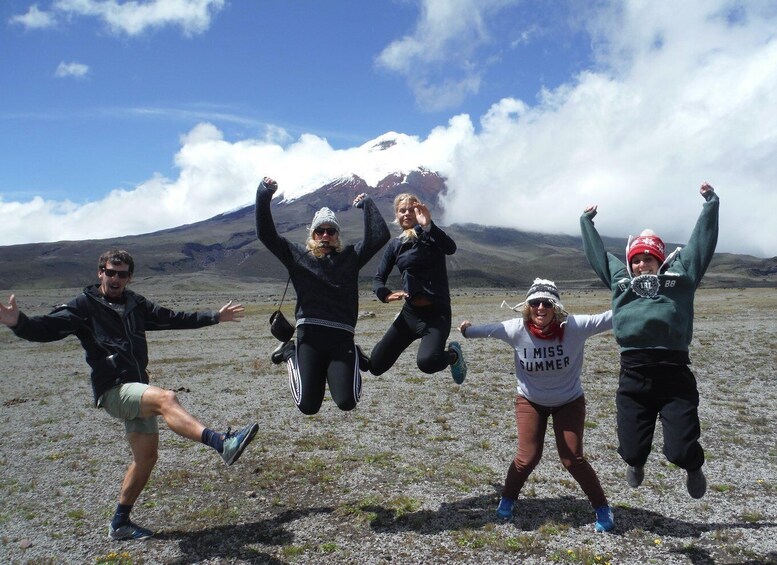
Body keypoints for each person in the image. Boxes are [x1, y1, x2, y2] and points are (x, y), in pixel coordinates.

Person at [0, 249, 259, 541]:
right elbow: (47, 328)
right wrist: (18, 322)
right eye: (110, 272)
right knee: (166, 399)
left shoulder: (135, 304)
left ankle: (120, 523)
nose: (115, 279)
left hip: (137, 387)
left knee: (146, 458)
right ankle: (222, 443)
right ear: (100, 273)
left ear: (129, 277)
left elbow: (171, 318)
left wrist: (215, 317)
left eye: (121, 274)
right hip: (113, 389)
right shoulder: (84, 305)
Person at [580, 183, 719, 499]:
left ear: (660, 260)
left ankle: (693, 466)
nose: (642, 265)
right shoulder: (621, 282)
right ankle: (636, 461)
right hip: (634, 376)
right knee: (631, 450)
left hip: (674, 376)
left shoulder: (681, 278)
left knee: (680, 450)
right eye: (637, 260)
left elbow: (701, 244)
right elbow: (598, 256)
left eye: (648, 259)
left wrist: (710, 204)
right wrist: (586, 223)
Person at [458, 278, 615, 532]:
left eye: (547, 303)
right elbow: (488, 330)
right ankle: (507, 498)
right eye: (535, 302)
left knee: (572, 459)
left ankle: (602, 507)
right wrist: (467, 331)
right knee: (527, 458)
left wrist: (643, 297)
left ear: (556, 307)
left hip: (569, 401)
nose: (541, 307)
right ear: (528, 306)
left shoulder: (575, 326)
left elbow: (611, 318)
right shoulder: (516, 329)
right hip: (530, 401)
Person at [256, 176, 390, 415]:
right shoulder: (297, 255)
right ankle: (289, 352)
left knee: (347, 402)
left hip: (341, 338)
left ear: (337, 235)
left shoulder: (351, 257)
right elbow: (266, 234)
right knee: (308, 406)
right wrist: (264, 193)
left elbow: (380, 237)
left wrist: (368, 204)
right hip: (310, 337)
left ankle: (355, 355)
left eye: (331, 231)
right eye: (320, 231)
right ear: (313, 234)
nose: (325, 236)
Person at [367, 192, 467, 384]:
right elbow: (378, 279)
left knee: (427, 363)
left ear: (419, 211)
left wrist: (428, 226)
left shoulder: (431, 236)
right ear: (397, 215)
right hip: (410, 314)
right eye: (402, 210)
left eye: (411, 210)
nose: (406, 213)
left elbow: (450, 248)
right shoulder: (395, 245)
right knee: (375, 366)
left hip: (436, 314)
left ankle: (453, 355)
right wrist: (385, 294)